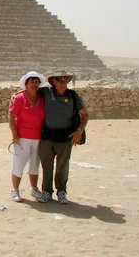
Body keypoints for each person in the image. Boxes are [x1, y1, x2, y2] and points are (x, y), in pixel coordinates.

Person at [37, 70, 89, 204]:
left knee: (62, 166)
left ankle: (61, 191)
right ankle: (46, 192)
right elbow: (29, 92)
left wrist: (79, 131)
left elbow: (85, 114)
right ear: (53, 81)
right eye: (60, 80)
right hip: (47, 136)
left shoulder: (73, 95)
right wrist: (16, 96)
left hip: (66, 137)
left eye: (65, 80)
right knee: (46, 166)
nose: (63, 83)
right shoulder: (45, 92)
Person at [8, 71, 46, 202]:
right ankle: (15, 190)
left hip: (37, 138)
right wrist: (14, 134)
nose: (35, 85)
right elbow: (11, 116)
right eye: (32, 82)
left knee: (34, 165)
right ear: (26, 84)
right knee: (18, 165)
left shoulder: (41, 100)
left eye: (36, 82)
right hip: (22, 138)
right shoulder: (19, 98)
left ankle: (34, 189)